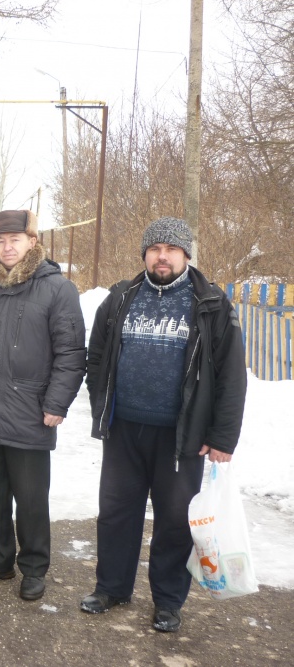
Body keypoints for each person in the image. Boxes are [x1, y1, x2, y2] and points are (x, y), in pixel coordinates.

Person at [80, 217, 247, 633]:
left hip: (181, 436)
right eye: (154, 248)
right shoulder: (121, 297)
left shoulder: (210, 304)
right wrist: (100, 400)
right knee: (116, 513)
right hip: (124, 430)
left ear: (186, 255)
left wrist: (223, 436)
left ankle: (168, 601)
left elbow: (231, 376)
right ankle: (112, 587)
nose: (162, 256)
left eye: (171, 249)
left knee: (174, 520)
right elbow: (96, 354)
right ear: (145, 254)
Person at [0, 209, 86, 601]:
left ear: (32, 241)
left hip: (31, 411)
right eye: (1, 240)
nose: (7, 247)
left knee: (30, 499)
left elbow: (72, 353)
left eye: (16, 239)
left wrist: (57, 403)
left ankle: (34, 566)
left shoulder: (58, 289)